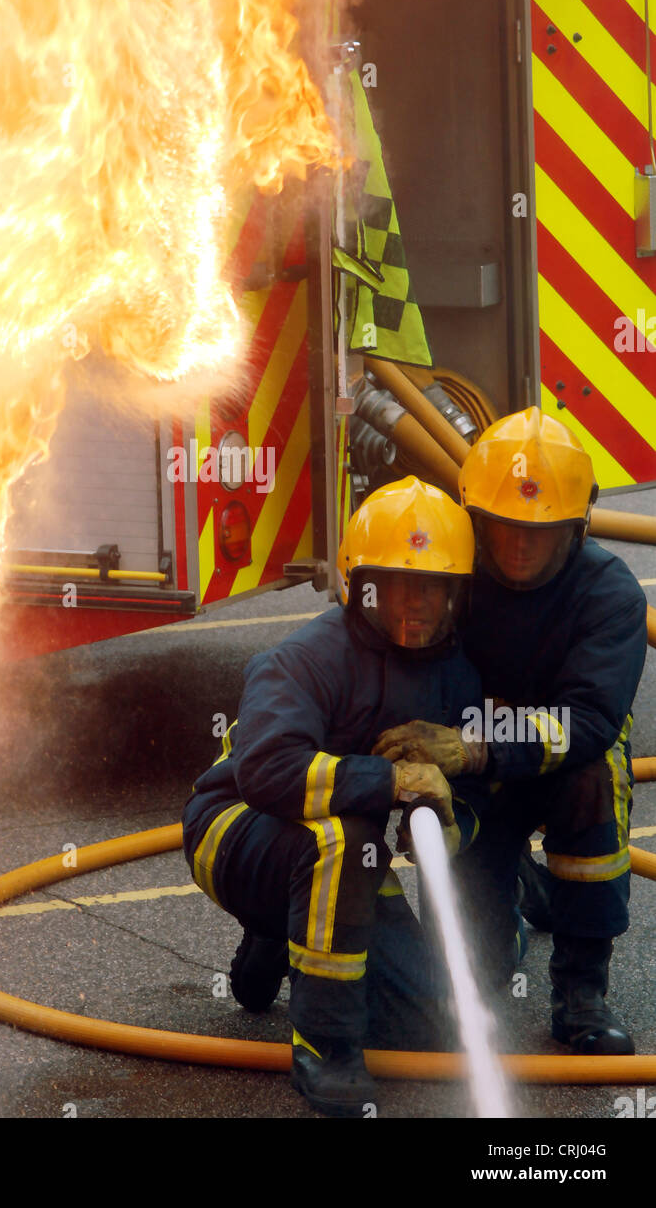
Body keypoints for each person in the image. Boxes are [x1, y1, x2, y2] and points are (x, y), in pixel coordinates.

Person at [181, 476, 487, 1117]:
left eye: (433, 586)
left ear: (458, 593)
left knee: (426, 1022)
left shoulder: (460, 676)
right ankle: (324, 1047)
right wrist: (392, 782)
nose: (416, 602)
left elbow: (478, 799)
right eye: (398, 583)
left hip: (349, 858)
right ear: (360, 583)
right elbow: (267, 771)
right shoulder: (304, 658)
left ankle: (284, 935)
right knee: (340, 840)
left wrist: (445, 814)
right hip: (236, 830)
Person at [373, 409, 648, 1054]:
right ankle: (515, 902)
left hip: (554, 765)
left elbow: (590, 722)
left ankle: (582, 993)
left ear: (576, 527)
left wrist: (476, 745)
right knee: (477, 973)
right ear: (475, 518)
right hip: (473, 780)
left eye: (541, 532)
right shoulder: (450, 575)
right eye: (504, 528)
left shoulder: (610, 595)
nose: (520, 547)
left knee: (595, 780)